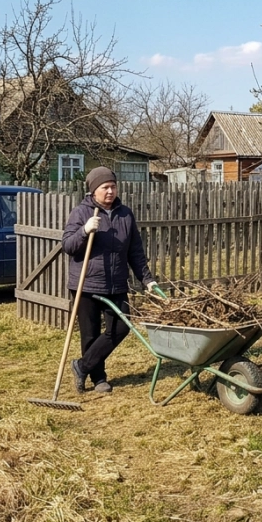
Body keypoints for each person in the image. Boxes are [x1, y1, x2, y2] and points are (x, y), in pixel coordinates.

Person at [62, 166, 165, 394]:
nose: (110, 191)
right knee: (90, 334)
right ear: (93, 191)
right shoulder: (81, 213)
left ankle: (82, 366)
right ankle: (99, 379)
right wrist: (84, 231)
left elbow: (135, 252)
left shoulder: (125, 214)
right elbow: (68, 246)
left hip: (116, 283)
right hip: (86, 283)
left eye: (113, 186)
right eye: (105, 187)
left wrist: (147, 279)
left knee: (121, 328)